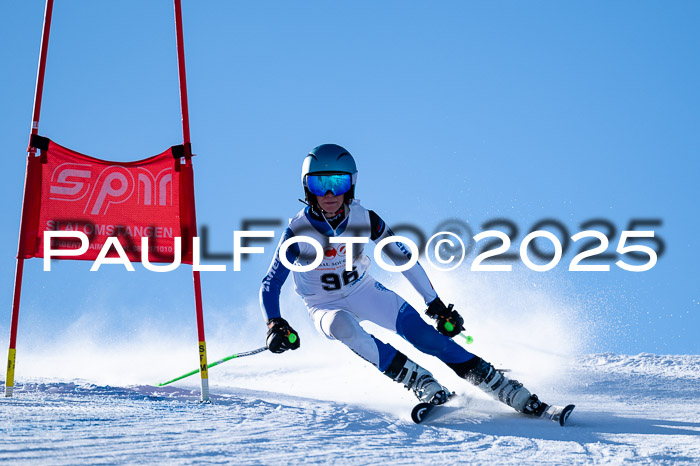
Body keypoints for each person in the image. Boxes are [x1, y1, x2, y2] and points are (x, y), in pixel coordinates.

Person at [259, 143, 549, 416]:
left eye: (339, 183)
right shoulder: (298, 232)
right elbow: (271, 283)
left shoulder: (365, 219)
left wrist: (435, 304)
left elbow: (402, 258)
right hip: (323, 304)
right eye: (320, 184)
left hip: (363, 290)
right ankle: (420, 382)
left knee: (425, 337)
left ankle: (504, 388)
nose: (330, 193)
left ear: (352, 185)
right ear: (307, 188)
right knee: (342, 325)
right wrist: (275, 323)